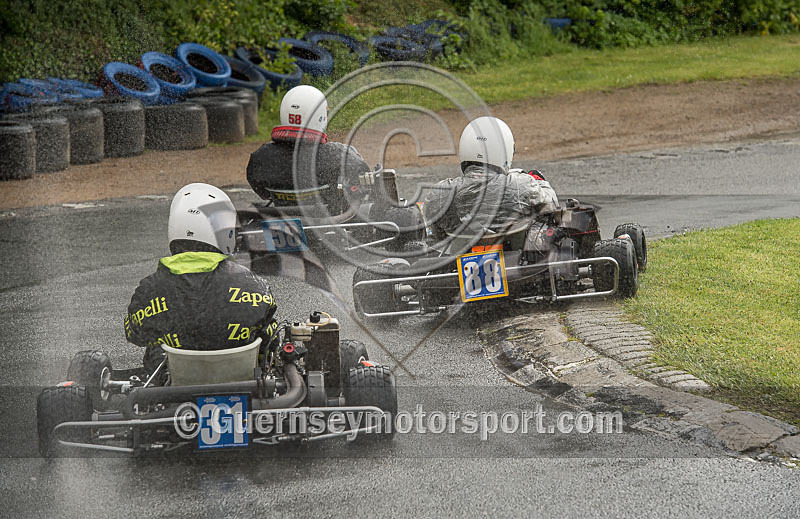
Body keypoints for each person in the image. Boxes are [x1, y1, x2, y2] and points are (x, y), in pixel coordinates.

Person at [124, 183, 278, 372]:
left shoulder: (148, 290)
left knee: (154, 348)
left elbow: (134, 334)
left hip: (176, 388)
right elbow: (270, 334)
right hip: (242, 381)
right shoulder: (253, 285)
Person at [423, 116, 559, 236]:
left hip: (457, 258)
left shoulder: (439, 195)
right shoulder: (520, 185)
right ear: (504, 149)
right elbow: (552, 206)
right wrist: (539, 182)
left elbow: (437, 234)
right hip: (513, 257)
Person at [246, 85, 369, 212]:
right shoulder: (339, 155)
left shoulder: (261, 157)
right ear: (321, 116)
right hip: (331, 222)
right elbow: (361, 183)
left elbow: (262, 192)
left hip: (283, 217)